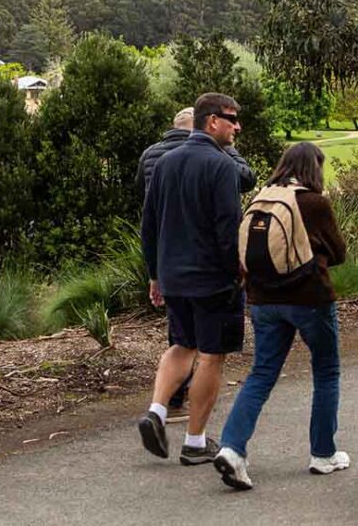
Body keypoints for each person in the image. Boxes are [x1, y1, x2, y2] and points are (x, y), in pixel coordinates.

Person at [214, 142, 348, 490]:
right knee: (327, 370)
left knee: (261, 373)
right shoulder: (314, 203)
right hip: (309, 299)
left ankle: (232, 448)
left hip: (263, 301)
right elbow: (338, 253)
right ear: (313, 168)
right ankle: (323, 454)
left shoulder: (261, 199)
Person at [139, 93, 245, 466]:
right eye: (231, 119)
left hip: (172, 274)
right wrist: (236, 273)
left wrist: (154, 273)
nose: (237, 126)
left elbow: (148, 225)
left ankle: (156, 410)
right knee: (212, 355)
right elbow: (227, 230)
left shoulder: (165, 163)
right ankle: (196, 442)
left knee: (181, 344)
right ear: (211, 121)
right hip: (212, 279)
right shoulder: (222, 167)